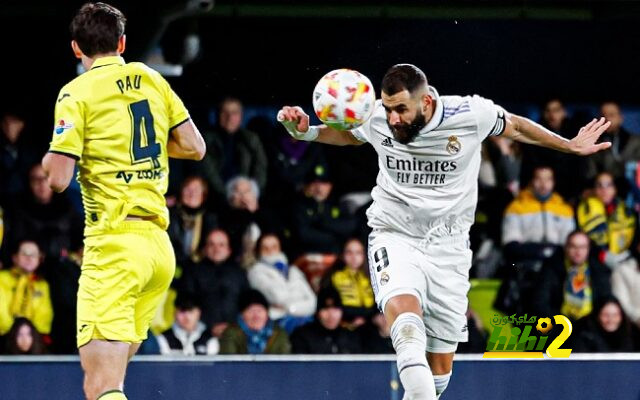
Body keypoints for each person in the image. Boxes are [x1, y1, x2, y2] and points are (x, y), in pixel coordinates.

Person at [278, 63, 611, 399]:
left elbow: (516, 127)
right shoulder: (375, 114)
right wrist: (307, 132)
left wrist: (568, 145)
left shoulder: (469, 113)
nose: (392, 119)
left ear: (425, 102)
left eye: (401, 110)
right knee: (407, 326)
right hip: (395, 234)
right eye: (388, 109)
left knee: (440, 373)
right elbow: (352, 134)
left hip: (449, 247)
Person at [40, 3, 206, 400]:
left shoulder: (76, 92)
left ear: (76, 49)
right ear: (123, 42)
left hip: (115, 248)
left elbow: (59, 179)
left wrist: (50, 160)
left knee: (100, 386)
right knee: (113, 383)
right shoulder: (151, 78)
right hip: (157, 250)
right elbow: (194, 147)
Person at [247, 233, 316, 333]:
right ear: (259, 251)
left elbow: (313, 301)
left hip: (304, 317)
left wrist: (291, 308)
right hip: (278, 320)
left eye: (274, 246)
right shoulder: (256, 272)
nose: (270, 251)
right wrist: (300, 301)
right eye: (265, 248)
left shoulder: (293, 270)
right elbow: (278, 298)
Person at [0, 240, 53, 337]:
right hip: (4, 336)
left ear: (39, 259)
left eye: (33, 255)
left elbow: (45, 314)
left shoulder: (42, 284)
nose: (29, 258)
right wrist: (15, 333)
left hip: (33, 339)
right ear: (15, 257)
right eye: (24, 254)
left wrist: (31, 335)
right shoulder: (1, 278)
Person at [290, 286, 362, 354]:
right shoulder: (302, 336)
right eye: (326, 309)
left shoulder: (350, 337)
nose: (331, 315)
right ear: (318, 312)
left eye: (336, 309)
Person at [219, 289, 291, 354]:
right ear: (242, 315)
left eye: (260, 311)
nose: (256, 316)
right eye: (251, 311)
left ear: (267, 313)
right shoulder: (231, 333)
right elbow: (229, 363)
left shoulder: (279, 333)